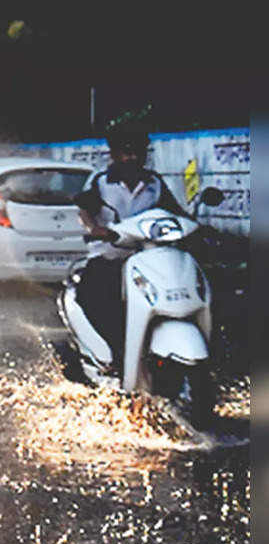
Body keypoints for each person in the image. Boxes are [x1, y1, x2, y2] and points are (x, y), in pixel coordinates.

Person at [72, 116, 192, 373]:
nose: (132, 157)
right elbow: (84, 210)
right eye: (126, 152)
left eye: (138, 151)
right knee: (94, 298)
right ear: (114, 153)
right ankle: (115, 353)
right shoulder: (100, 182)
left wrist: (195, 226)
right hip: (110, 257)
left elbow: (175, 212)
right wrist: (94, 229)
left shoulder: (155, 184)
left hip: (150, 258)